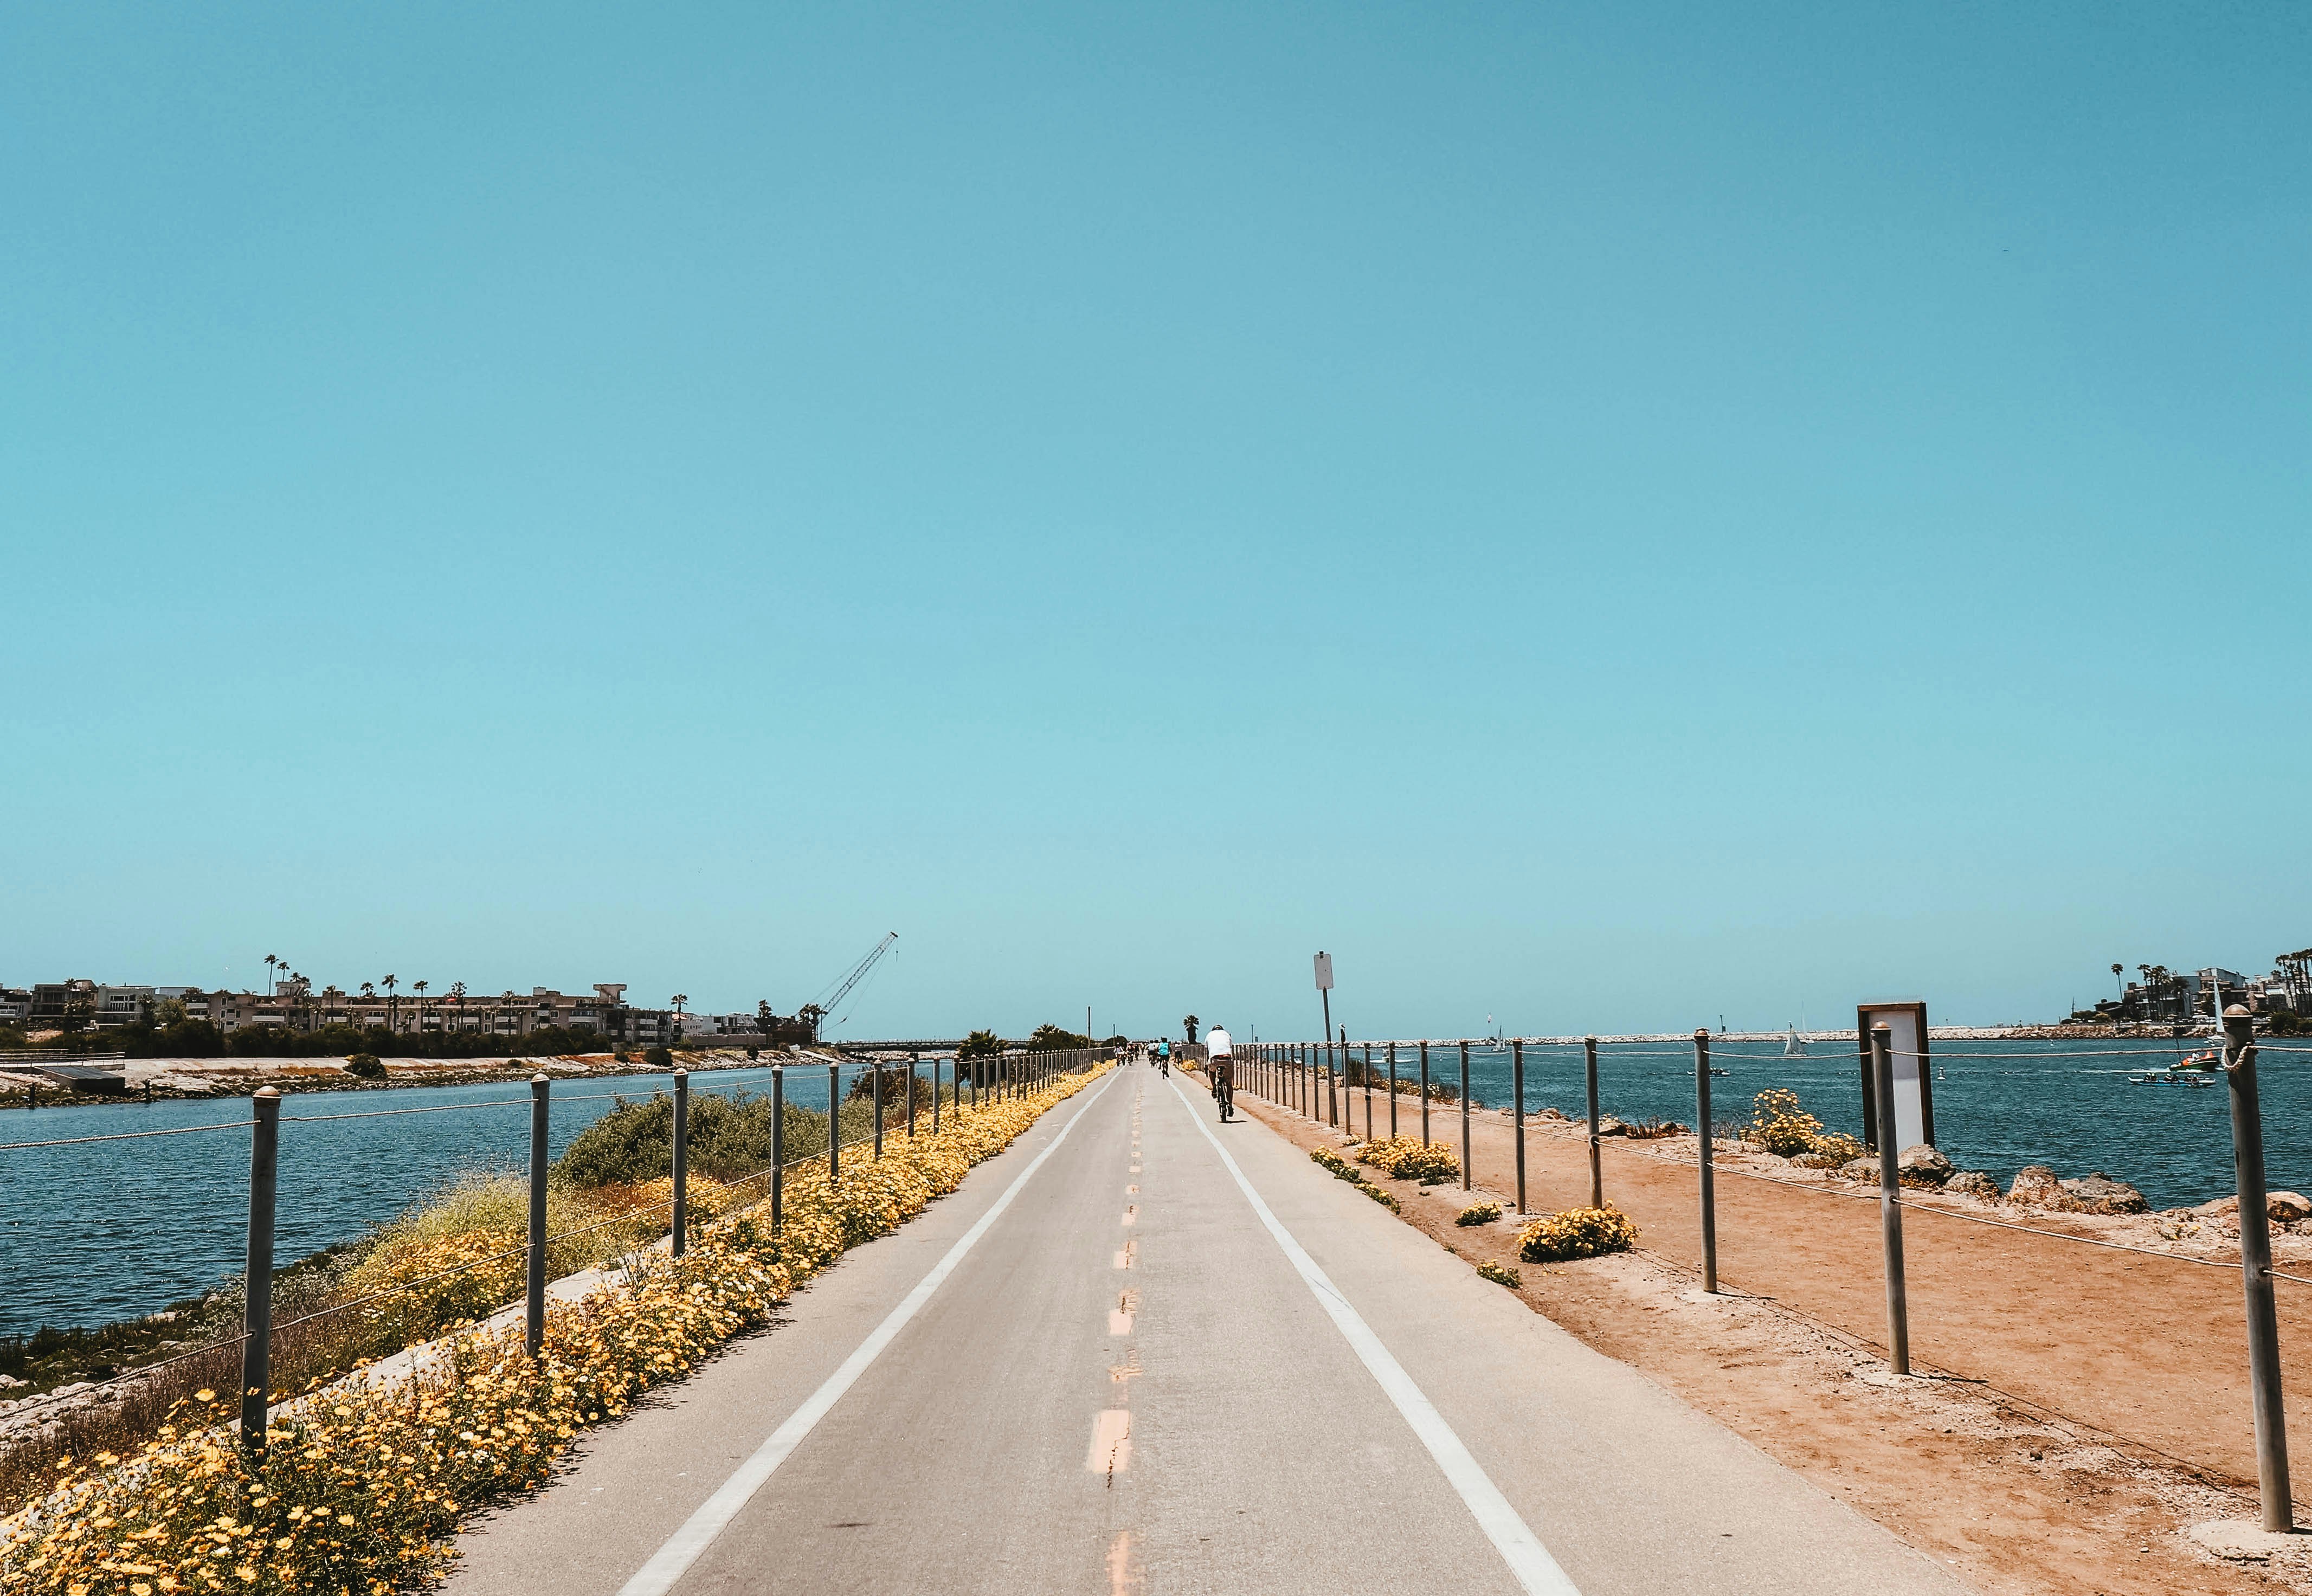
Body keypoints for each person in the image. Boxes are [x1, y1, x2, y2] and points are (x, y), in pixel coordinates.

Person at [1206, 1023, 1234, 1122]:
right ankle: (1230, 1105)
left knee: (1211, 1071)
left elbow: (1208, 1050)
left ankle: (1214, 1088)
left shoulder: (1209, 1035)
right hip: (1227, 1059)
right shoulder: (1227, 1034)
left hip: (1214, 1059)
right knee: (1229, 1083)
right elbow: (1230, 1047)